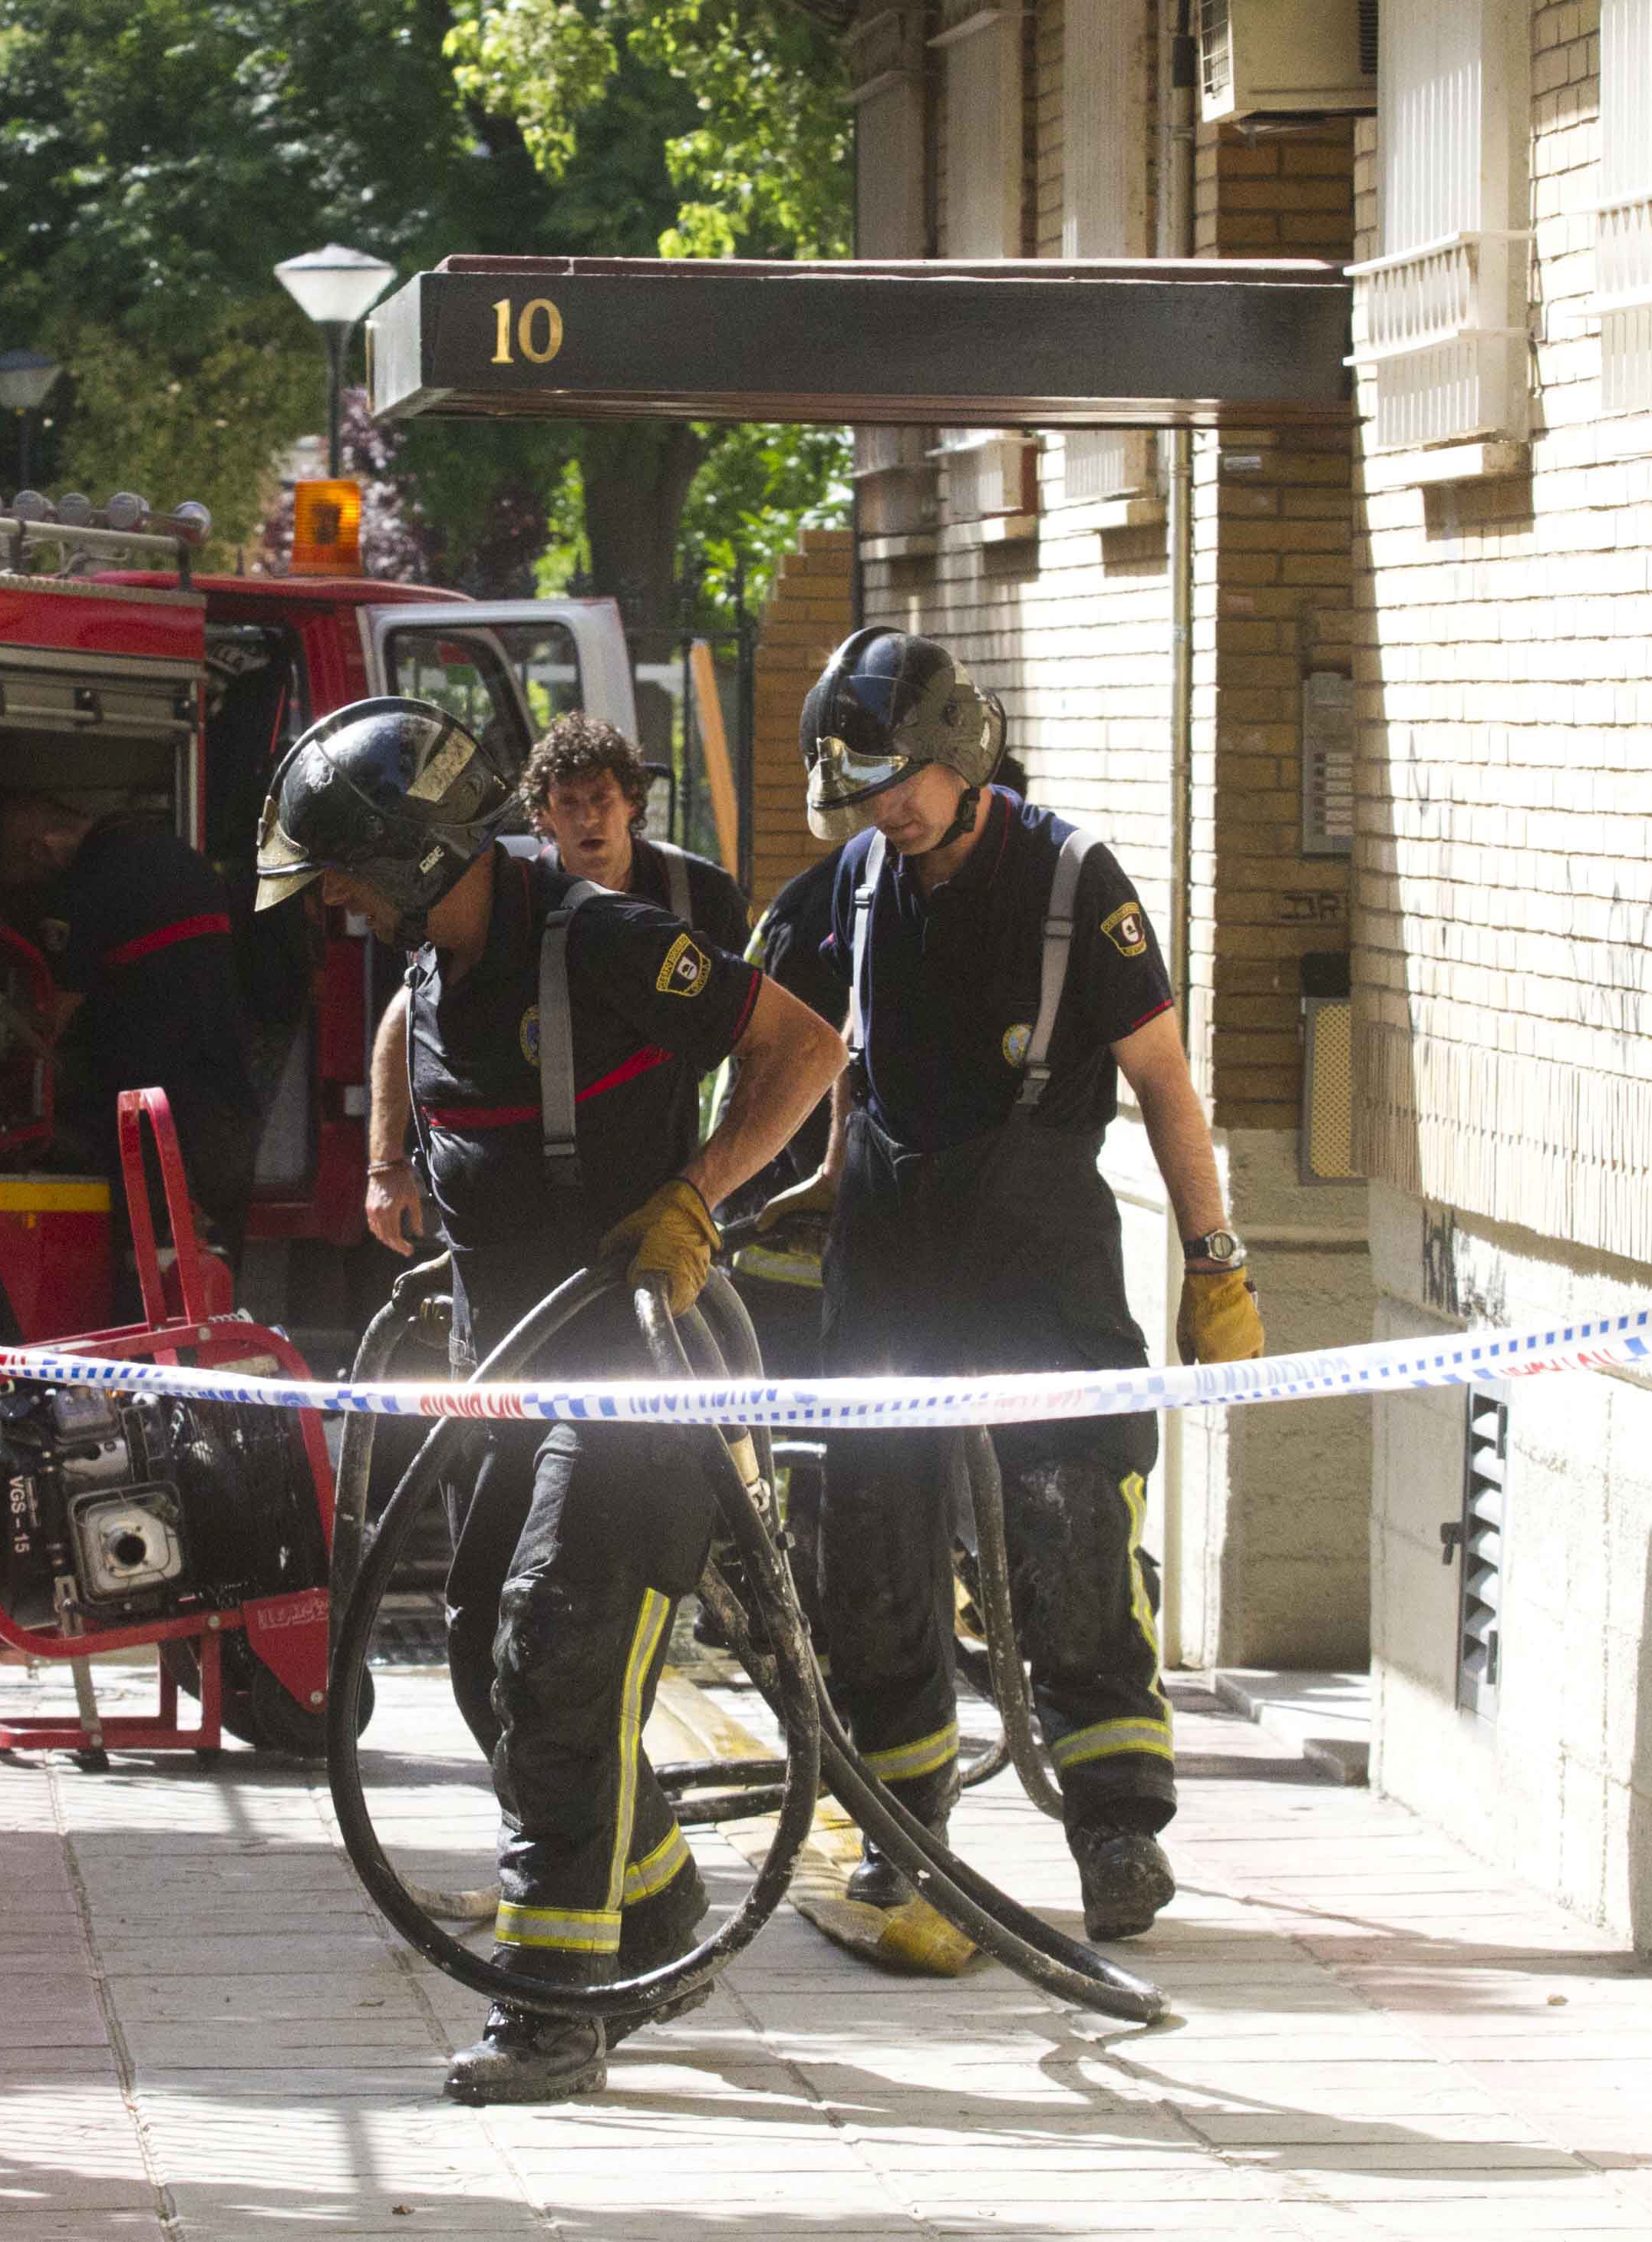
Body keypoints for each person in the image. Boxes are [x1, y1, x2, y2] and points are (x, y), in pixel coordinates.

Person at [256, 697, 843, 2103]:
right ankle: (650, 1908)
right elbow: (402, 1028)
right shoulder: (436, 964)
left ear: (410, 852)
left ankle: (551, 2002)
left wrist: (697, 1202)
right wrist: (391, 1163)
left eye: (342, 869)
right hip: (510, 1379)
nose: (330, 900)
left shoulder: (609, 940)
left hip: (639, 1377)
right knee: (480, 1658)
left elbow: (804, 1049)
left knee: (557, 1647)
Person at [760, 628, 1265, 1944]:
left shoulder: (1071, 881)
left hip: (1040, 1269)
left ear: (957, 752)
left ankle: (1114, 1830)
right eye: (864, 790)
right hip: (888, 1273)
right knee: (872, 1547)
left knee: (1071, 1532)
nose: (884, 810)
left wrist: (1213, 1262)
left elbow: (1161, 1080)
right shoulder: (852, 890)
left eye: (899, 780)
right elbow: (783, 1056)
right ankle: (901, 1823)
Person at [361, 713, 747, 1258]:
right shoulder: (514, 901)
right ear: (542, 813)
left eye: (602, 799)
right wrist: (386, 1162)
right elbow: (409, 1007)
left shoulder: (702, 895)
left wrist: (710, 1187)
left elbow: (762, 1043)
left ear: (632, 803)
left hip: (659, 1187)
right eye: (569, 802)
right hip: (530, 1212)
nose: (589, 818)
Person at [0, 793, 262, 1306]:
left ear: (38, 851)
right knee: (217, 1286)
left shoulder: (87, 886)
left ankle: (158, 1383)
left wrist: (1, 1063)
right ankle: (212, 1380)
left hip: (163, 1125)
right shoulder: (182, 859)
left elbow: (51, 1019)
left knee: (154, 1288)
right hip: (230, 1111)